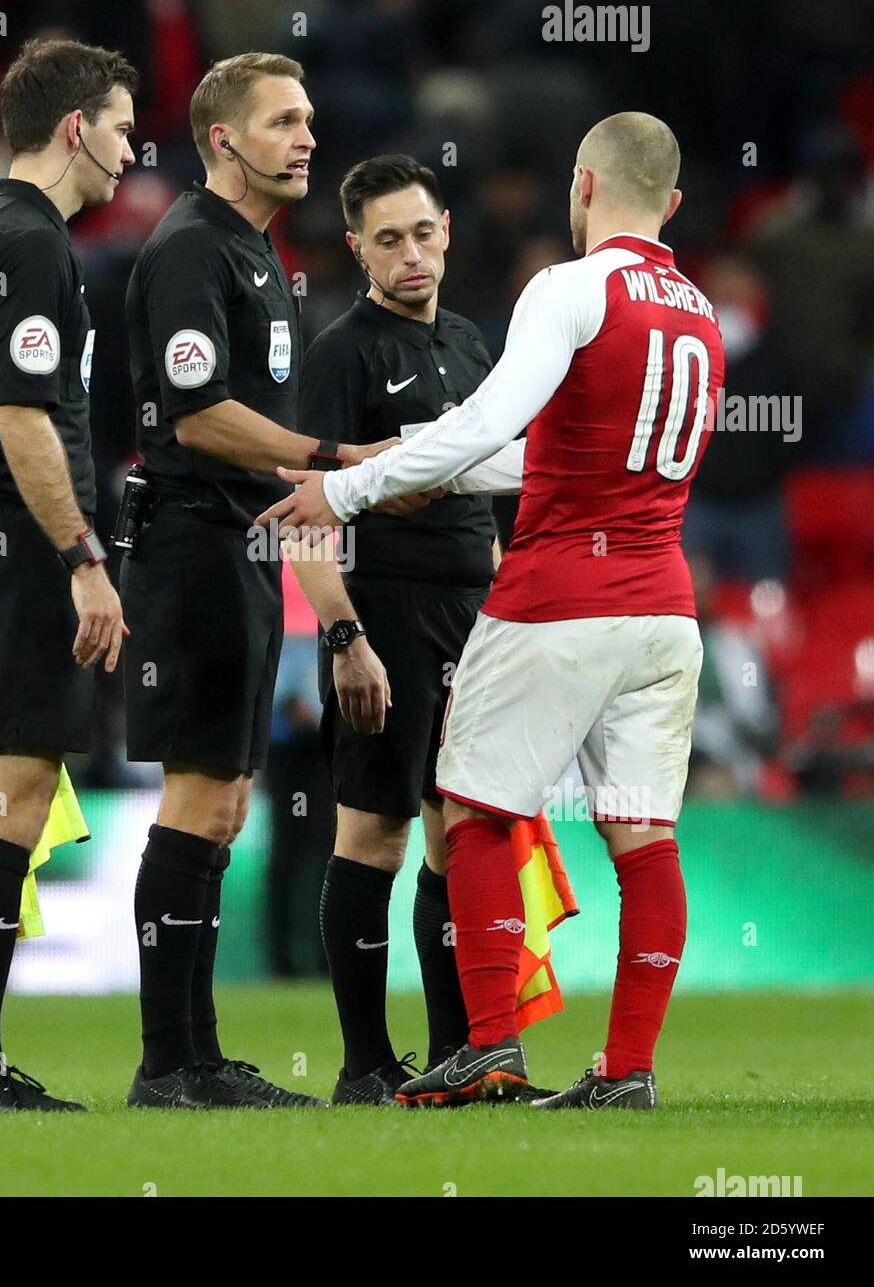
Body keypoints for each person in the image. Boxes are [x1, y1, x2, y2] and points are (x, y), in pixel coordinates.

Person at [260, 112, 725, 1111]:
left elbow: (485, 421)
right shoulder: (698, 308)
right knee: (644, 838)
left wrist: (342, 491)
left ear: (584, 187)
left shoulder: (567, 289)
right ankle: (628, 1070)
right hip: (664, 611)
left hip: (555, 598)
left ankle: (489, 1048)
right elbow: (561, 453)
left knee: (469, 811)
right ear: (673, 203)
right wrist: (425, 478)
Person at [121, 52, 396, 1109]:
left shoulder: (249, 254)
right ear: (225, 139)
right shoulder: (195, 249)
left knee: (226, 804)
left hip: (233, 547)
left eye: (311, 119)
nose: (309, 138)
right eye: (285, 121)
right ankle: (168, 1062)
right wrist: (335, 460)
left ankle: (196, 1055)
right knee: (198, 797)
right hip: (192, 545)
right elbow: (198, 417)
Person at [0, 38, 136, 1114]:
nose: (131, 152)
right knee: (16, 794)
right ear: (74, 128)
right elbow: (17, 415)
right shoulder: (37, 244)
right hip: (27, 546)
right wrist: (80, 555)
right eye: (124, 128)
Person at [288, 154, 524, 1104]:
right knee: (374, 834)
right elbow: (307, 513)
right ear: (357, 250)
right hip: (382, 613)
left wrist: (513, 617)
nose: (412, 252)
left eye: (424, 231)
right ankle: (362, 1064)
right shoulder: (341, 352)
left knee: (457, 835)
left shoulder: (475, 345)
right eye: (389, 239)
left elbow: (500, 496)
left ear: (448, 229)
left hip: (478, 615)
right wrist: (345, 637)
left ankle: (454, 1053)